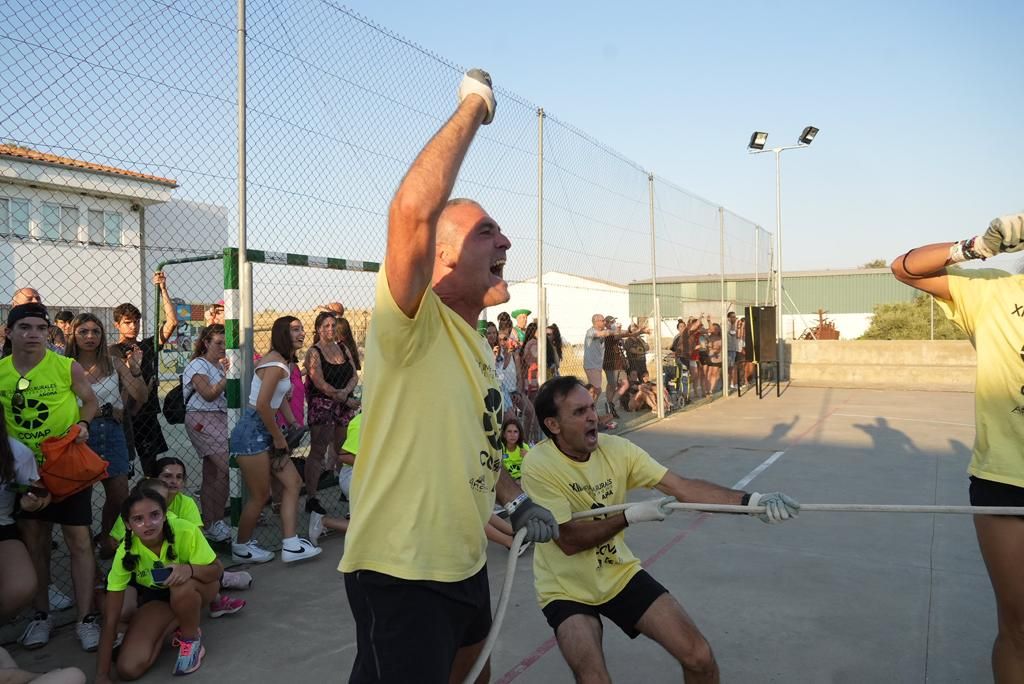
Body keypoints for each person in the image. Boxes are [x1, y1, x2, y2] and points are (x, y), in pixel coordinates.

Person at [340, 69, 558, 684]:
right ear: (440, 255)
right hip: (404, 573)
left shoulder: (475, 346)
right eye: (486, 231)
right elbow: (413, 210)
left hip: (462, 567)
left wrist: (515, 504)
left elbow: (475, 448)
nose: (506, 240)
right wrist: (475, 106)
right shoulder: (413, 323)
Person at [522, 375, 800, 683]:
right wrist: (629, 517)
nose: (591, 417)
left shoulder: (618, 450)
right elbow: (569, 540)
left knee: (699, 657)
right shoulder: (538, 465)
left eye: (591, 407)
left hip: (617, 574)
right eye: (578, 412)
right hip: (565, 588)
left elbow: (682, 487)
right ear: (553, 425)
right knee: (594, 679)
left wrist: (752, 501)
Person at [890, 212, 1024, 682]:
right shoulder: (992, 291)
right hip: (1006, 481)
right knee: (1019, 630)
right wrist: (974, 247)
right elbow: (905, 268)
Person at [1, 303, 100, 651]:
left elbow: (90, 402)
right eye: (24, 327)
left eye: (40, 328)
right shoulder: (0, 373)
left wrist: (83, 425)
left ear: (48, 332)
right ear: (8, 332)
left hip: (68, 468)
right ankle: (40, 616)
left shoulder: (64, 366)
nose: (33, 334)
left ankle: (86, 619)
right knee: (35, 545)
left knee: (80, 542)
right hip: (26, 475)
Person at [95, 488, 223, 681]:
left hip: (198, 586)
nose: (148, 524)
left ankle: (191, 640)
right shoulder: (125, 552)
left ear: (164, 515)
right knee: (128, 669)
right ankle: (176, 624)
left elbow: (217, 570)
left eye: (154, 515)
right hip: (158, 600)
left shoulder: (185, 530)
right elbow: (111, 619)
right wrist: (102, 675)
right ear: (128, 525)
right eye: (138, 519)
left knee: (179, 583)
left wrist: (188, 569)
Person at [229, 316, 320, 564]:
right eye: (294, 330)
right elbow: (261, 405)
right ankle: (241, 547)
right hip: (252, 433)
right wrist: (280, 438)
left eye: (302, 329)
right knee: (259, 496)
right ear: (282, 333)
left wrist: (293, 425)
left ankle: (291, 544)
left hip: (267, 431)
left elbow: (277, 402)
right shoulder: (277, 365)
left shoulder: (284, 363)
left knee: (293, 483)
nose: (301, 333)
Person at [64, 313, 147, 558]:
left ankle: (107, 539)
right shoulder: (64, 365)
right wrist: (102, 410)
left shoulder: (114, 361)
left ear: (102, 335)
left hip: (112, 432)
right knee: (81, 498)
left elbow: (141, 396)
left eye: (95, 331)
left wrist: (135, 370)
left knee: (120, 494)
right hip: (81, 434)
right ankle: (85, 547)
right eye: (83, 331)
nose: (90, 337)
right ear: (74, 335)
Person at [110, 271, 178, 476]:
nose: (133, 326)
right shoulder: (113, 350)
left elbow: (172, 323)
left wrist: (163, 290)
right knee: (124, 469)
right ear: (117, 325)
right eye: (128, 322)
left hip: (147, 414)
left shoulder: (148, 345)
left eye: (136, 322)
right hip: (126, 415)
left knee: (150, 466)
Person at [303, 312, 358, 521]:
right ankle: (311, 497)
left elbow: (353, 374)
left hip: (344, 404)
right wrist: (343, 398)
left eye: (333, 325)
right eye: (325, 326)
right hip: (323, 406)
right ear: (318, 328)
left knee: (343, 449)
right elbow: (319, 383)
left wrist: (346, 393)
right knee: (318, 451)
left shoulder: (343, 348)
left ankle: (349, 492)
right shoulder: (314, 352)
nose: (330, 329)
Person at [181, 324, 232, 543]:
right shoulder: (197, 365)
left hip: (219, 418)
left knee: (213, 473)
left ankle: (212, 521)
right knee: (228, 468)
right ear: (206, 343)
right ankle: (216, 520)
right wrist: (228, 377)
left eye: (225, 343)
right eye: (218, 343)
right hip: (201, 417)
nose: (222, 348)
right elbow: (208, 393)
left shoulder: (219, 367)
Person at [0, 404, 48, 622]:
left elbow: (41, 494)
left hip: (2, 527)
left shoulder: (17, 453)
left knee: (22, 587)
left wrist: (34, 503)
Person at [583, 314, 614, 393]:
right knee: (597, 390)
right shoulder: (591, 331)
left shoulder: (601, 331)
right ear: (596, 322)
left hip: (597, 365)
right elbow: (600, 334)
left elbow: (611, 333)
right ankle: (588, 404)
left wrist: (632, 331)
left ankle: (589, 404)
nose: (605, 322)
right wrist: (612, 331)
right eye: (603, 320)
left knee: (595, 389)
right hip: (591, 365)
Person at [499, 416, 529, 482]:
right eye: (509, 431)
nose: (512, 435)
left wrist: (528, 457)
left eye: (515, 432)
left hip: (523, 482)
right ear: (504, 434)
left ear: (519, 434)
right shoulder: (499, 449)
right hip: (505, 483)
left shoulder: (524, 447)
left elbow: (532, 469)